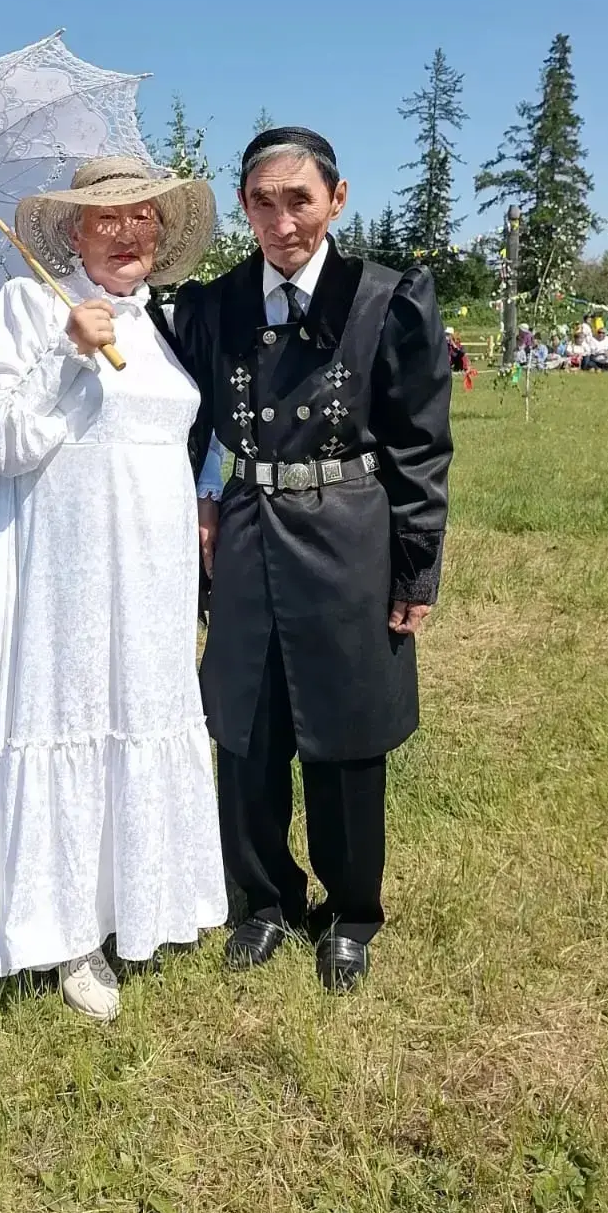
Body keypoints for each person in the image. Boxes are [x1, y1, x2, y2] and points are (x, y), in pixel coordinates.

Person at [0, 156, 226, 1018]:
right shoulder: (28, 305)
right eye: (106, 219)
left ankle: (143, 898)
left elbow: (194, 431)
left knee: (143, 706)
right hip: (67, 566)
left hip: (154, 567)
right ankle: (69, 928)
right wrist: (66, 352)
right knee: (74, 710)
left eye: (143, 217)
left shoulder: (159, 323)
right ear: (73, 233)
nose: (127, 233)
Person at [174, 126, 453, 995]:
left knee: (346, 729)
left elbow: (419, 445)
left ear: (336, 199)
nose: (282, 221)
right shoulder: (214, 306)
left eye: (299, 199)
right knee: (245, 730)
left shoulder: (387, 301)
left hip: (349, 537)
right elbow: (195, 423)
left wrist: (416, 565)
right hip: (247, 531)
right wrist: (202, 504)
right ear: (244, 207)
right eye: (263, 202)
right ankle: (262, 901)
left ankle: (350, 914)